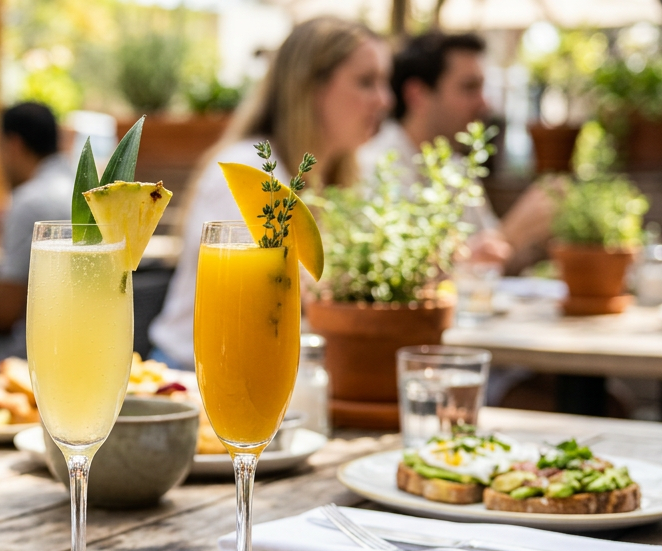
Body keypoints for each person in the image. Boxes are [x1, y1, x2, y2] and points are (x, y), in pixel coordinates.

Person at [149, 17, 393, 369]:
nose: (384, 100)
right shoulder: (247, 173)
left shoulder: (343, 176)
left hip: (278, 372)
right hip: (196, 377)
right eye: (366, 82)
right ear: (310, 87)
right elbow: (260, 305)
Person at [359, 31, 552, 270]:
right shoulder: (375, 167)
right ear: (416, 95)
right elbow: (397, 277)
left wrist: (536, 240)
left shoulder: (458, 168)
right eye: (469, 87)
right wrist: (508, 236)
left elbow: (493, 264)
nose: (484, 103)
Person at [0, 102, 73, 362]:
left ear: (13, 144)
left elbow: (3, 316)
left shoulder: (29, 202)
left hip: (37, 356)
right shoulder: (87, 188)